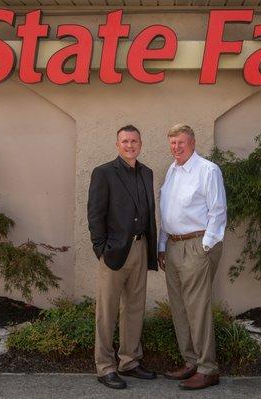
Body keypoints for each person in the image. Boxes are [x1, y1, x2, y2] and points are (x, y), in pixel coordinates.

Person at [87, 124, 158, 389]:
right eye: (125, 141)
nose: (130, 145)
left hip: (140, 248)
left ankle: (129, 361)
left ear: (141, 144)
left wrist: (152, 247)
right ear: (117, 145)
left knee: (134, 308)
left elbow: (148, 213)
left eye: (134, 141)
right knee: (107, 312)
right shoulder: (104, 173)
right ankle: (105, 367)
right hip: (114, 252)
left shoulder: (147, 173)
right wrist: (100, 249)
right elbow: (95, 214)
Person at [157, 124, 227, 390]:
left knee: (197, 309)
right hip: (174, 246)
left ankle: (208, 369)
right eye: (173, 143)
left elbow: (218, 211)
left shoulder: (207, 170)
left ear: (193, 143)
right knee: (180, 307)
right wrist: (163, 246)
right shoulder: (172, 171)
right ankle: (190, 363)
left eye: (181, 143)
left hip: (197, 245)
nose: (176, 147)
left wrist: (206, 246)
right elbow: (167, 212)